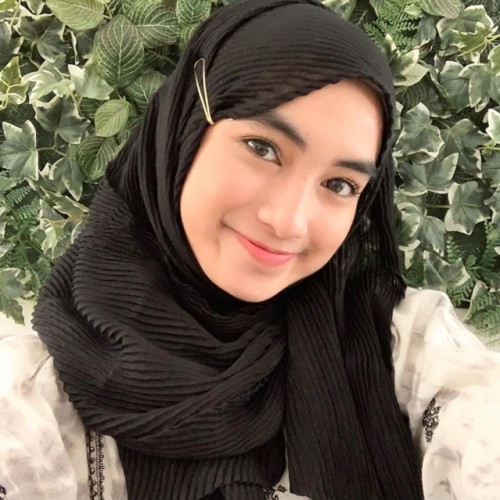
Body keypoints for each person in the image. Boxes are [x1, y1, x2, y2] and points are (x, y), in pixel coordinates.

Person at [1, 0, 500, 498]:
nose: (288, 221)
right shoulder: (31, 393)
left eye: (340, 184)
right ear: (186, 128)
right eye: (263, 148)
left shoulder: (397, 348)